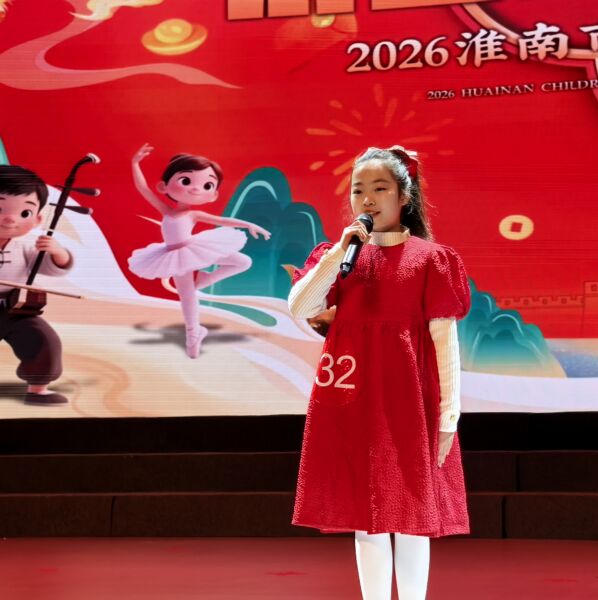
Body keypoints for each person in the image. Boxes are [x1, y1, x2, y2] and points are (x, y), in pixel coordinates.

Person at [288, 146, 471, 600]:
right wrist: (340, 251)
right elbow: (301, 306)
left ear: (404, 197)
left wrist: (449, 413)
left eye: (380, 188)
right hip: (350, 396)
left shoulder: (430, 258)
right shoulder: (339, 257)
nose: (367, 199)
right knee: (364, 514)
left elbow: (444, 339)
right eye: (358, 190)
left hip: (408, 399)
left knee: (410, 513)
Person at [127, 143, 270, 358]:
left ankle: (205, 279)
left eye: (206, 185)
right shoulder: (167, 211)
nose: (195, 189)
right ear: (163, 187)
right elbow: (143, 189)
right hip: (174, 256)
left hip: (193, 248)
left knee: (243, 262)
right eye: (186, 181)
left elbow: (222, 220)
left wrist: (249, 225)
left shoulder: (193, 215)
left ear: (213, 195)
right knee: (187, 296)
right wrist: (135, 163)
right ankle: (193, 333)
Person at [0, 165, 74, 404]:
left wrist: (57, 252)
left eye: (25, 213)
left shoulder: (26, 246)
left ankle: (38, 389)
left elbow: (51, 268)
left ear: (38, 219)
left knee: (43, 341)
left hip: (15, 308)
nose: (10, 218)